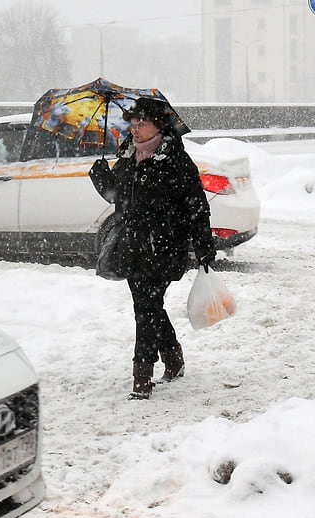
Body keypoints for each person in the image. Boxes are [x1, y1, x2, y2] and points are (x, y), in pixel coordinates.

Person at [90, 97, 216, 400]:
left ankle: (142, 375)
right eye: (132, 123)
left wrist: (203, 249)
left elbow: (196, 207)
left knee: (145, 309)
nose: (134, 129)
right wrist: (101, 177)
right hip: (133, 246)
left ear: (159, 125)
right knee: (148, 307)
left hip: (164, 247)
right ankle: (173, 356)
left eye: (141, 123)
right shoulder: (128, 155)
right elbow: (118, 199)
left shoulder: (175, 160)